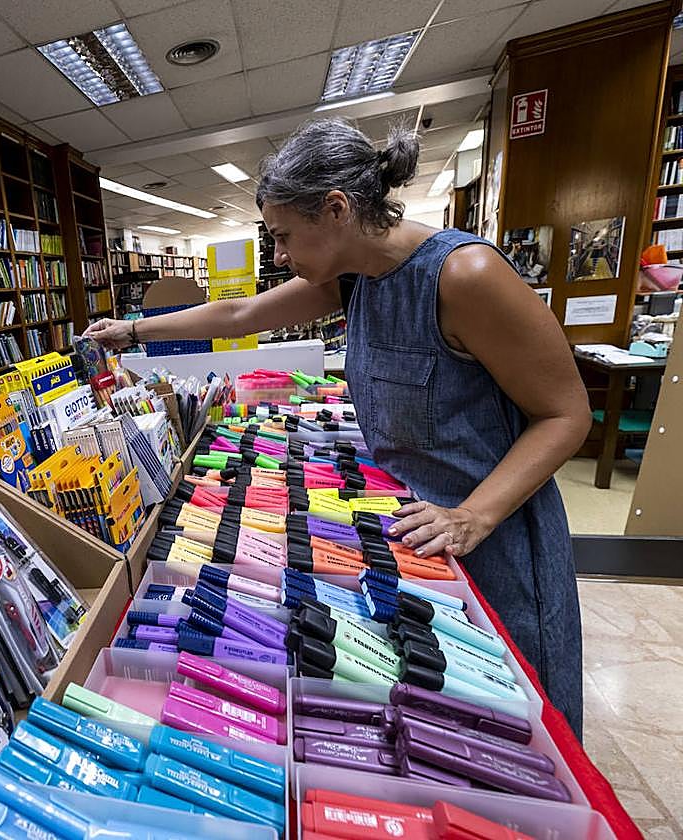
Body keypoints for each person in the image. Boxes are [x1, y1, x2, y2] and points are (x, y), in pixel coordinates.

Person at [84, 119, 591, 737]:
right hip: (405, 529)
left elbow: (566, 414)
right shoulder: (353, 282)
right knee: (429, 717)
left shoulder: (466, 276)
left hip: (493, 538)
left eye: (283, 236)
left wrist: (474, 515)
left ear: (336, 208)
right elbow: (242, 313)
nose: (278, 255)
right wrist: (129, 332)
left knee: (510, 722)